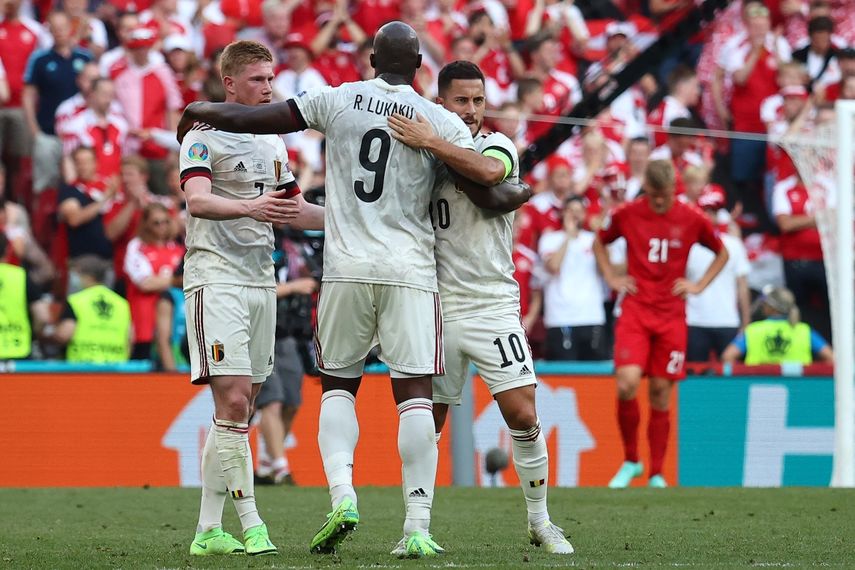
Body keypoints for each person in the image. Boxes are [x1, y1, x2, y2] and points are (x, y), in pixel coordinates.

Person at [179, 22, 518, 558]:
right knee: (414, 397)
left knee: (338, 386)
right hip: (410, 272)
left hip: (343, 269)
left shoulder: (338, 99)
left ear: (369, 59)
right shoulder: (439, 118)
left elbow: (266, 116)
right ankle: (417, 526)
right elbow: (491, 179)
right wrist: (460, 154)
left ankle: (342, 494)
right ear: (421, 67)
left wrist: (205, 110)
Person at [387, 60, 570, 554]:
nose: (471, 110)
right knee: (428, 420)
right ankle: (416, 528)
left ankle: (540, 521)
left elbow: (490, 176)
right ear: (440, 101)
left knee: (522, 412)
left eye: (478, 101)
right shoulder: (415, 153)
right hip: (435, 305)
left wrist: (433, 144)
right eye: (461, 101)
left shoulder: (497, 143)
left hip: (492, 302)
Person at [178, 40, 323, 558]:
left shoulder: (274, 144)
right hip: (214, 278)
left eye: (271, 78)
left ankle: (206, 531)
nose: (269, 88)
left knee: (242, 407)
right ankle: (253, 523)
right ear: (231, 85)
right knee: (235, 398)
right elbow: (196, 200)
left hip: (261, 280)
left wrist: (356, 225)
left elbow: (295, 211)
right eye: (259, 80)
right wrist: (251, 206)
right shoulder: (201, 137)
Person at [593, 160, 729, 488]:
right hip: (637, 310)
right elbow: (599, 241)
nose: (659, 202)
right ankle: (630, 461)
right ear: (647, 190)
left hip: (671, 315)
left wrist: (697, 286)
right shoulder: (627, 213)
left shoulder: (692, 217)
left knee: (660, 391)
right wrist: (612, 275)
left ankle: (656, 472)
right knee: (626, 383)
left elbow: (722, 253)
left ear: (674, 190)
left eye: (664, 195)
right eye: (654, 195)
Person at [255, 229, 320, 486]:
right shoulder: (260, 241)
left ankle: (265, 465)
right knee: (271, 400)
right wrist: (293, 287)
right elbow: (254, 289)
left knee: (292, 402)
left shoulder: (303, 245)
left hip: (292, 333)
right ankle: (282, 469)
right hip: (261, 332)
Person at [686, 187, 752, 361]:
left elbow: (742, 287)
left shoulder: (734, 244)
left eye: (713, 211)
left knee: (729, 379)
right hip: (694, 320)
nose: (709, 216)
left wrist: (746, 324)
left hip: (727, 320)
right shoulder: (688, 244)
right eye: (706, 211)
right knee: (693, 376)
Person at [539, 196, 607, 361]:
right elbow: (553, 266)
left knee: (595, 378)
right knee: (564, 375)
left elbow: (607, 269)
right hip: (560, 318)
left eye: (579, 211)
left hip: (592, 316)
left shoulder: (593, 239)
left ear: (585, 214)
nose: (575, 215)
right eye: (571, 211)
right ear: (562, 213)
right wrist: (568, 236)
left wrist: (601, 235)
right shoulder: (549, 239)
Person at [123, 202, 184, 360]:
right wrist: (176, 281)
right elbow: (145, 283)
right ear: (146, 225)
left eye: (166, 221)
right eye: (156, 223)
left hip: (175, 319)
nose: (162, 226)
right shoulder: (137, 247)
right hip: (145, 317)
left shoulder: (177, 248)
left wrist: (163, 281)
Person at [722, 286, 834, 365]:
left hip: (758, 385)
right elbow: (832, 358)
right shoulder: (804, 330)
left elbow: (728, 356)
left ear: (771, 307)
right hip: (800, 389)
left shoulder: (753, 330)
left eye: (765, 303)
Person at [52, 255, 131, 362]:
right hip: (115, 367)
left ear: (88, 276)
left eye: (76, 274)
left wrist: (52, 334)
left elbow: (65, 334)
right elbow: (130, 337)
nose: (73, 278)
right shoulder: (121, 303)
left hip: (82, 367)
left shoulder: (76, 300)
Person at [0, 232, 45, 359]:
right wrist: (33, 335)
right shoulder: (21, 276)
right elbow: (42, 316)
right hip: (18, 351)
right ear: (7, 250)